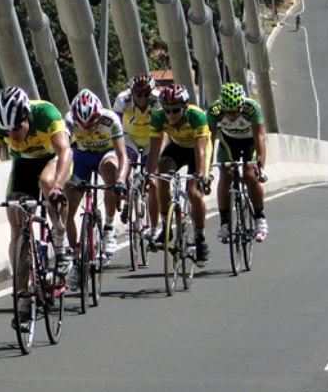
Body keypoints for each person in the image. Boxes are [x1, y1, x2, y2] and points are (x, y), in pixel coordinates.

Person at [0, 87, 73, 326]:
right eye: (6, 132)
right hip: (23, 165)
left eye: (16, 129)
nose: (12, 136)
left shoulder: (45, 113)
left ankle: (60, 237)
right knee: (18, 229)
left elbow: (64, 151)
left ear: (27, 118)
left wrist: (57, 187)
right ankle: (23, 301)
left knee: (46, 182)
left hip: (52, 160)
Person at [146, 83, 212, 267]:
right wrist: (149, 175)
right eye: (167, 110)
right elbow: (155, 150)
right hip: (177, 147)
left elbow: (200, 149)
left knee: (193, 192)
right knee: (161, 175)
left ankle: (200, 238)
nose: (171, 115)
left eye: (175, 110)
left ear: (184, 107)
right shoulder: (158, 118)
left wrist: (201, 175)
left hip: (198, 149)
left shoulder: (196, 115)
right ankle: (167, 226)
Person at [64, 89, 129, 272]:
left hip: (105, 154)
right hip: (82, 156)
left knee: (111, 172)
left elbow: (122, 155)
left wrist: (121, 180)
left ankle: (108, 228)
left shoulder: (110, 120)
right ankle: (75, 255)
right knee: (67, 206)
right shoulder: (68, 120)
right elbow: (62, 152)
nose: (87, 129)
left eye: (92, 124)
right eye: (82, 126)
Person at [208, 82, 269, 244]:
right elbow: (208, 142)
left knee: (250, 175)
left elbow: (260, 138)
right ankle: (225, 223)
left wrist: (260, 167)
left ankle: (259, 218)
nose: (231, 116)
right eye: (228, 112)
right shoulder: (215, 110)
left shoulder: (252, 108)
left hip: (250, 141)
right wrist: (206, 168)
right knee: (225, 175)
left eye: (235, 111)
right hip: (229, 142)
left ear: (241, 106)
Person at [112, 72, 162, 224]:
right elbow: (116, 125)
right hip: (130, 136)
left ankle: (154, 228)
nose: (142, 98)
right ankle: (127, 198)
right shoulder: (123, 99)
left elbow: (163, 127)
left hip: (150, 138)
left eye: (146, 94)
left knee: (153, 180)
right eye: (138, 94)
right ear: (132, 92)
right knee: (125, 161)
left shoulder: (158, 100)